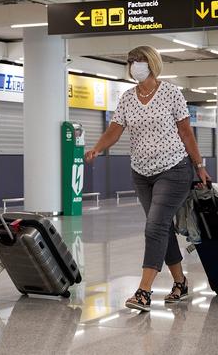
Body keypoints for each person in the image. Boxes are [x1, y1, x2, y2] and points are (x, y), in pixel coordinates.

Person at [84, 46, 211, 312]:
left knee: (155, 226)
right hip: (141, 172)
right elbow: (115, 130)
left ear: (151, 63)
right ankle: (180, 282)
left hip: (173, 168)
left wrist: (199, 165)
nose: (134, 65)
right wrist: (97, 147)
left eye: (138, 60)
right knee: (161, 227)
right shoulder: (128, 98)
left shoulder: (171, 93)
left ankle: (144, 291)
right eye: (130, 61)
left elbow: (186, 132)